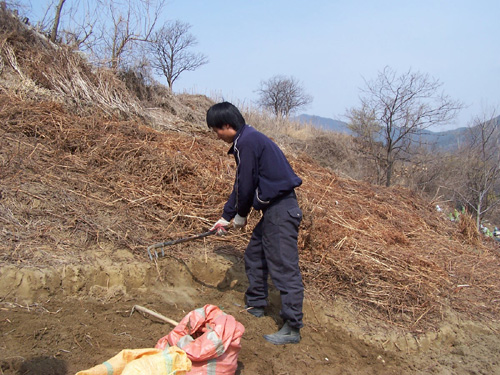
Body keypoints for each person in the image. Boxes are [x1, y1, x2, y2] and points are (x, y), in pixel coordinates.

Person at [207, 101, 304, 345]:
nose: (217, 135)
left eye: (216, 130)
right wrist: (226, 217)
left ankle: (292, 327)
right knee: (255, 255)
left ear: (227, 126)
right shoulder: (249, 138)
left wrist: (240, 215)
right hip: (274, 211)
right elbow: (242, 184)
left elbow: (245, 185)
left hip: (281, 211)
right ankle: (256, 305)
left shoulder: (245, 143)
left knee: (284, 268)